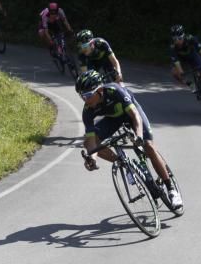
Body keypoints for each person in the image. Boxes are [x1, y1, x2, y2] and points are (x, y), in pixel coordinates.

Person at [75, 70, 183, 208]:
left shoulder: (115, 91)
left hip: (131, 113)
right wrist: (92, 158)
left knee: (148, 146)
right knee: (87, 143)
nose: (85, 100)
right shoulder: (87, 111)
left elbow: (135, 116)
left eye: (88, 95)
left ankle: (171, 190)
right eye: (81, 96)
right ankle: (122, 162)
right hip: (113, 119)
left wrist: (138, 136)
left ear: (100, 90)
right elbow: (91, 142)